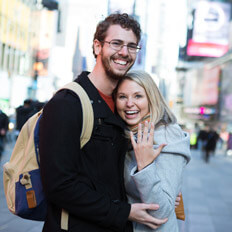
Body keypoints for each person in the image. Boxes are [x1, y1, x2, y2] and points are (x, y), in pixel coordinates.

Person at [39, 13, 171, 232]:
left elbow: (110, 177)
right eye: (116, 43)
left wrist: (158, 189)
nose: (124, 53)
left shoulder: (124, 108)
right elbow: (59, 186)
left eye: (132, 46)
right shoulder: (67, 104)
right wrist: (125, 212)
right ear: (98, 46)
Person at [114, 70, 191, 232]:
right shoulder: (127, 133)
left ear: (151, 99)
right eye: (122, 97)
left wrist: (145, 166)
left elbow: (161, 212)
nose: (129, 103)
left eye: (138, 96)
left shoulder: (166, 135)